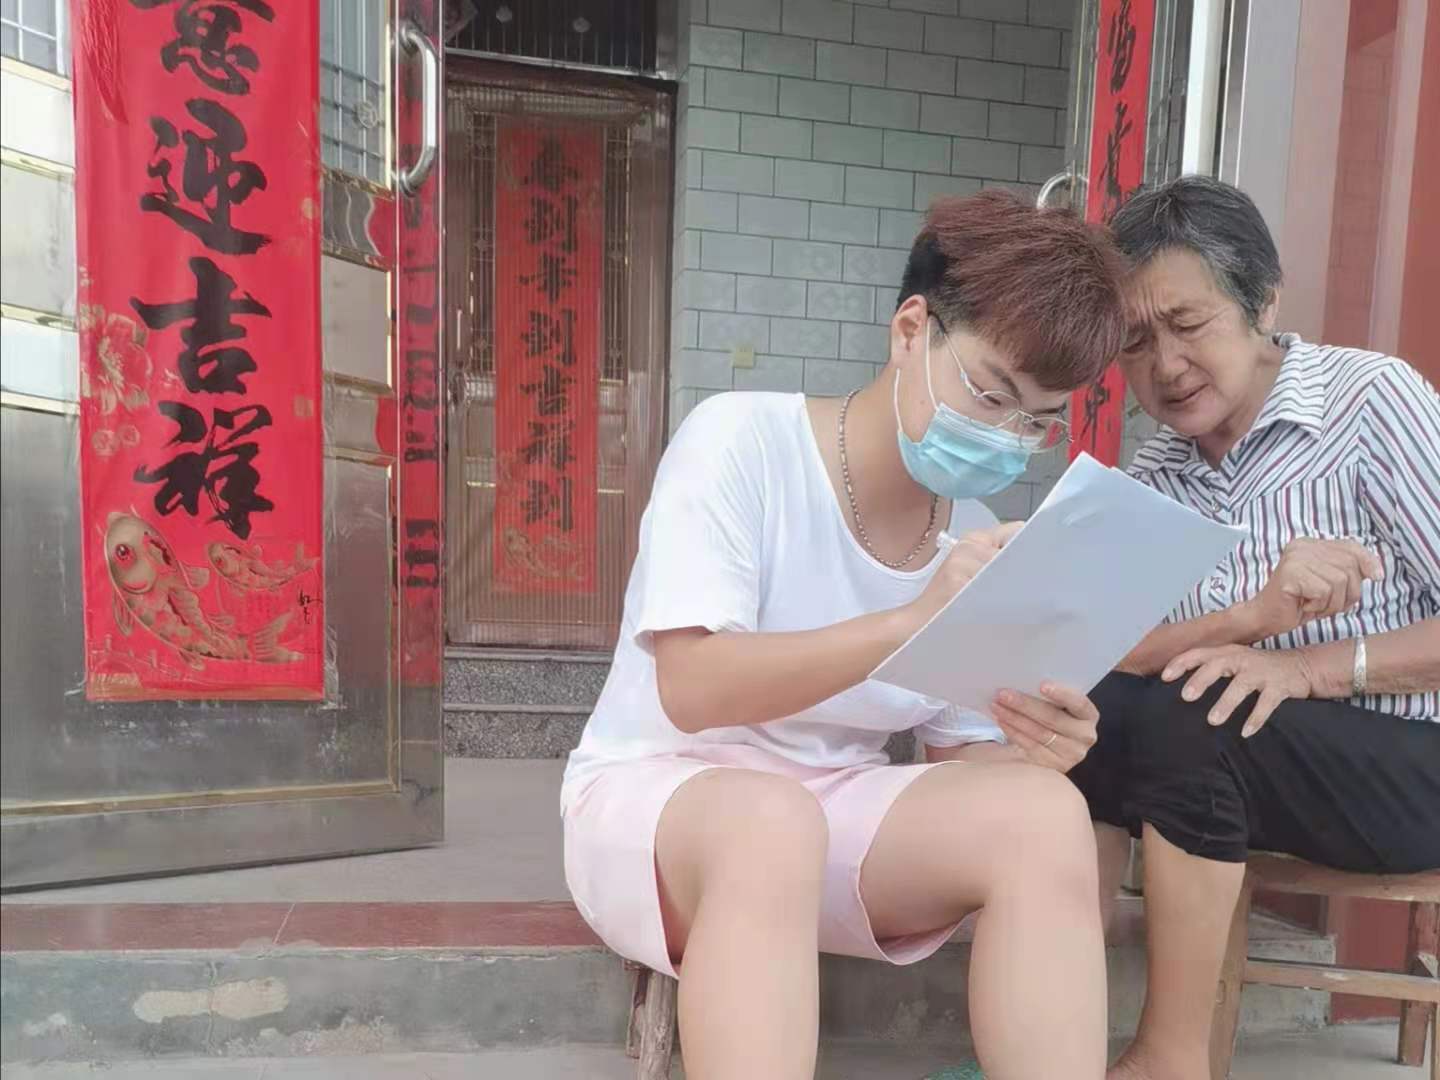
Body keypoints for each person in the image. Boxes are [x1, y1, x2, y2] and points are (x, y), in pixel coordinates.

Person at [561, 191, 1129, 1080]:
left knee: (1046, 815)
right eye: (991, 393)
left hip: (833, 822)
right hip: (663, 801)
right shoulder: (740, 443)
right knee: (768, 821)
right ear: (911, 331)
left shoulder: (973, 533)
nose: (1007, 436)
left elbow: (955, 759)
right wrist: (907, 622)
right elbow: (693, 688)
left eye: (1037, 420)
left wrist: (1034, 745)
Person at [1068, 175, 1440, 1080]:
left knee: (1197, 713)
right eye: (1135, 341)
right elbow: (1112, 652)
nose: (1165, 366)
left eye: (1187, 324)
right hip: (1254, 761)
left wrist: (1306, 666)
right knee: (1083, 714)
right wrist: (1251, 621)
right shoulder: (1156, 470)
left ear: (1262, 301)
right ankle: (1057, 1042)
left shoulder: (1371, 403)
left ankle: (1169, 1058)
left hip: (1413, 766)